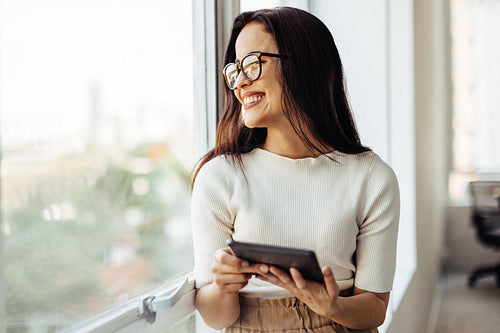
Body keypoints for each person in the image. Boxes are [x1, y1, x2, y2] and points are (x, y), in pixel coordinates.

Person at [190, 7, 400, 333]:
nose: (240, 83)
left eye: (253, 64)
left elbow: (375, 309)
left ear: (303, 65)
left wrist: (333, 306)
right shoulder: (218, 177)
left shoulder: (372, 178)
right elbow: (217, 318)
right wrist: (223, 286)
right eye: (235, 70)